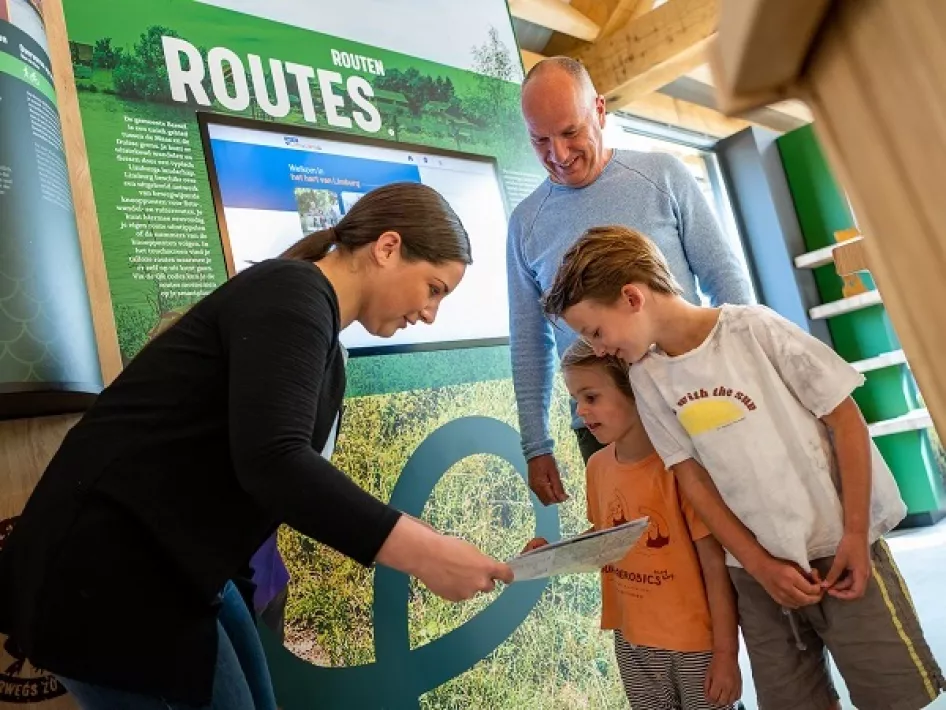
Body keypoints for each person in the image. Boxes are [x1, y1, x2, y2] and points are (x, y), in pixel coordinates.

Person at [0, 182, 514, 709]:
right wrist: (424, 555)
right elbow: (274, 461)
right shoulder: (292, 293)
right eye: (433, 288)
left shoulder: (324, 342)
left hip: (181, 566)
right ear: (387, 248)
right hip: (108, 574)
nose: (430, 313)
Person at [543, 224, 945, 710]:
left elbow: (846, 421)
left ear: (632, 297)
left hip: (839, 550)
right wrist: (757, 564)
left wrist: (856, 535)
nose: (598, 347)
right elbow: (693, 479)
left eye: (595, 332)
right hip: (755, 577)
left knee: (893, 695)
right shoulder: (647, 380)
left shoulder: (754, 329)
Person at [507, 56, 754, 507]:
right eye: (539, 139)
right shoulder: (525, 223)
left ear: (599, 111)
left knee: (730, 543)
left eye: (570, 132)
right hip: (606, 426)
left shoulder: (663, 175)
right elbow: (529, 339)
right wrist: (536, 445)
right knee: (649, 566)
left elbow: (726, 281)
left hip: (693, 400)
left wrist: (748, 376)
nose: (557, 155)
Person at [523, 340, 741, 709]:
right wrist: (554, 555)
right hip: (632, 640)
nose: (581, 412)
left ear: (637, 392)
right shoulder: (597, 467)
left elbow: (714, 565)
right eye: (576, 400)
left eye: (591, 397)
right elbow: (608, 537)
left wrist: (726, 655)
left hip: (696, 646)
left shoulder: (681, 469)